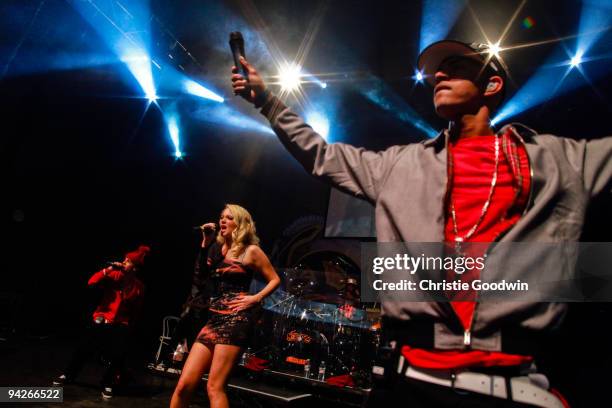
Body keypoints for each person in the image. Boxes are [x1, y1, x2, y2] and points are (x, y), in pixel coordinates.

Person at [231, 39, 612, 407]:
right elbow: (322, 156)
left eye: (457, 67)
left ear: (492, 84)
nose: (440, 75)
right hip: (411, 383)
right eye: (436, 72)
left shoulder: (560, 161)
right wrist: (267, 101)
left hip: (516, 384)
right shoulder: (401, 164)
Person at [170, 204, 281, 408]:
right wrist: (205, 242)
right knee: (184, 385)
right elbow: (201, 277)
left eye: (229, 218)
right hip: (214, 318)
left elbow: (275, 279)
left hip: (236, 318)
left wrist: (256, 298)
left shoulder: (251, 251)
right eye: (221, 217)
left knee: (214, 387)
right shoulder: (217, 249)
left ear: (240, 223)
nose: (222, 220)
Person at [53, 244, 150, 400]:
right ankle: (68, 375)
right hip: (102, 318)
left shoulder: (138, 286)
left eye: (128, 261)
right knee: (84, 349)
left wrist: (129, 326)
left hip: (121, 323)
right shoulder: (114, 274)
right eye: (124, 259)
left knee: (118, 355)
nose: (124, 261)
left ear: (135, 266)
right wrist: (109, 269)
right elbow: (91, 282)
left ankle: (107, 383)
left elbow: (135, 308)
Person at [161, 227, 213, 369]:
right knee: (179, 336)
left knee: (193, 340)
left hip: (202, 310)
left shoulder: (213, 277)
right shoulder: (202, 276)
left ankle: (186, 366)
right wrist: (204, 244)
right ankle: (166, 361)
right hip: (193, 308)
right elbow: (199, 268)